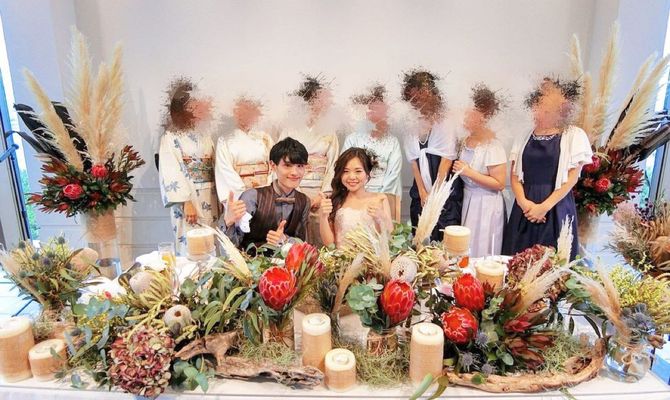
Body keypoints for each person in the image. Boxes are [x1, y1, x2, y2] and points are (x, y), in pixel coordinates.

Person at [502, 77, 592, 260]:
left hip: (556, 207)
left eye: (544, 108)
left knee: (553, 263)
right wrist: (524, 203)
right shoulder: (524, 135)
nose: (537, 112)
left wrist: (544, 207)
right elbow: (515, 175)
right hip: (525, 207)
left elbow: (572, 178)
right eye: (536, 106)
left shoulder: (574, 135)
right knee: (518, 261)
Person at [158, 78, 219, 255]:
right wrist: (186, 202)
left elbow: (213, 165)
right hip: (189, 197)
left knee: (212, 242)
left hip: (209, 194)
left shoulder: (204, 134)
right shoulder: (171, 137)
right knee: (191, 244)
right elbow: (171, 170)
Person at [221, 137, 311, 252]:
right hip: (250, 260)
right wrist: (228, 223)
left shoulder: (304, 201)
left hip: (287, 261)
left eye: (300, 166)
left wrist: (285, 240)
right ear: (273, 165)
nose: (295, 172)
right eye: (287, 165)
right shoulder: (252, 197)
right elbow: (232, 245)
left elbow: (303, 244)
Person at [279, 75, 340, 246]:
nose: (317, 107)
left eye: (320, 102)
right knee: (296, 239)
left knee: (321, 237)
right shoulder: (289, 129)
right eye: (313, 102)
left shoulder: (329, 131)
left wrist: (323, 194)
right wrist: (296, 193)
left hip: (320, 193)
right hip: (294, 191)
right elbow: (282, 164)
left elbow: (333, 165)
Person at [402, 69, 459, 241]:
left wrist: (434, 196)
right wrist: (422, 192)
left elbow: (446, 161)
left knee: (443, 239)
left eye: (420, 95)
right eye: (413, 97)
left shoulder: (446, 120)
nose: (417, 101)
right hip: (420, 190)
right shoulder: (410, 121)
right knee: (420, 237)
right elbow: (413, 161)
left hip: (443, 188)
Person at [453, 84, 506, 257]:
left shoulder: (493, 145)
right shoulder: (463, 141)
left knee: (482, 250)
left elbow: (499, 183)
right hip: (468, 200)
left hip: (487, 205)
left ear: (483, 117)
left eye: (469, 114)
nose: (464, 118)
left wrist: (469, 172)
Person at [320, 147, 393, 249]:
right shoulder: (335, 200)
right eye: (346, 171)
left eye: (358, 171)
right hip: (342, 257)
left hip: (372, 257)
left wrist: (381, 217)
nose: (352, 177)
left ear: (368, 173)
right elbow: (329, 244)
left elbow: (391, 238)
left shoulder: (380, 199)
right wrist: (323, 216)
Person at [341, 84, 402, 197]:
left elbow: (393, 173)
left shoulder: (393, 142)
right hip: (356, 192)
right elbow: (343, 167)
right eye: (372, 109)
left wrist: (381, 196)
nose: (375, 114)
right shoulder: (353, 139)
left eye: (379, 110)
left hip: (384, 193)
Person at [215, 96, 273, 204]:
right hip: (240, 196)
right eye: (240, 111)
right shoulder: (225, 140)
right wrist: (244, 193)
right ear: (235, 113)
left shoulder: (265, 138)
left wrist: (268, 188)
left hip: (266, 193)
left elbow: (274, 165)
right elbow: (225, 170)